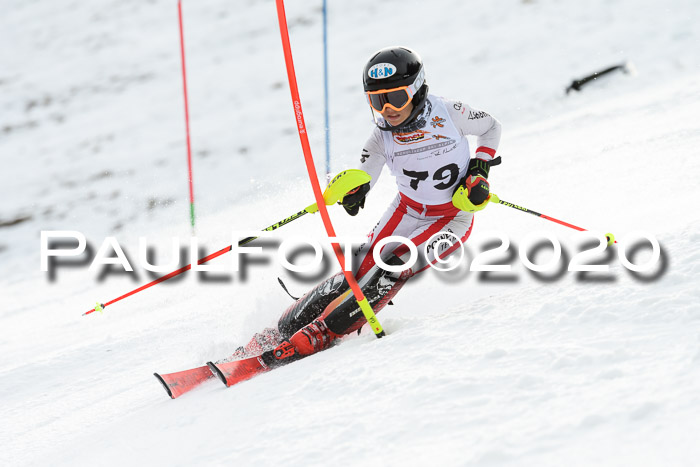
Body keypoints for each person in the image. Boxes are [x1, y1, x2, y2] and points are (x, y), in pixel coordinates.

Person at [235, 46, 502, 368]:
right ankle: (279, 332)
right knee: (360, 266)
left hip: (452, 218)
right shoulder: (380, 138)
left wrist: (479, 168)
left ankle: (322, 332)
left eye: (396, 98)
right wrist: (353, 191)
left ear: (416, 91)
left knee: (393, 264)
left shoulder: (450, 112)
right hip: (407, 210)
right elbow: (365, 177)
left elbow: (490, 128)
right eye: (377, 100)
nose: (388, 108)